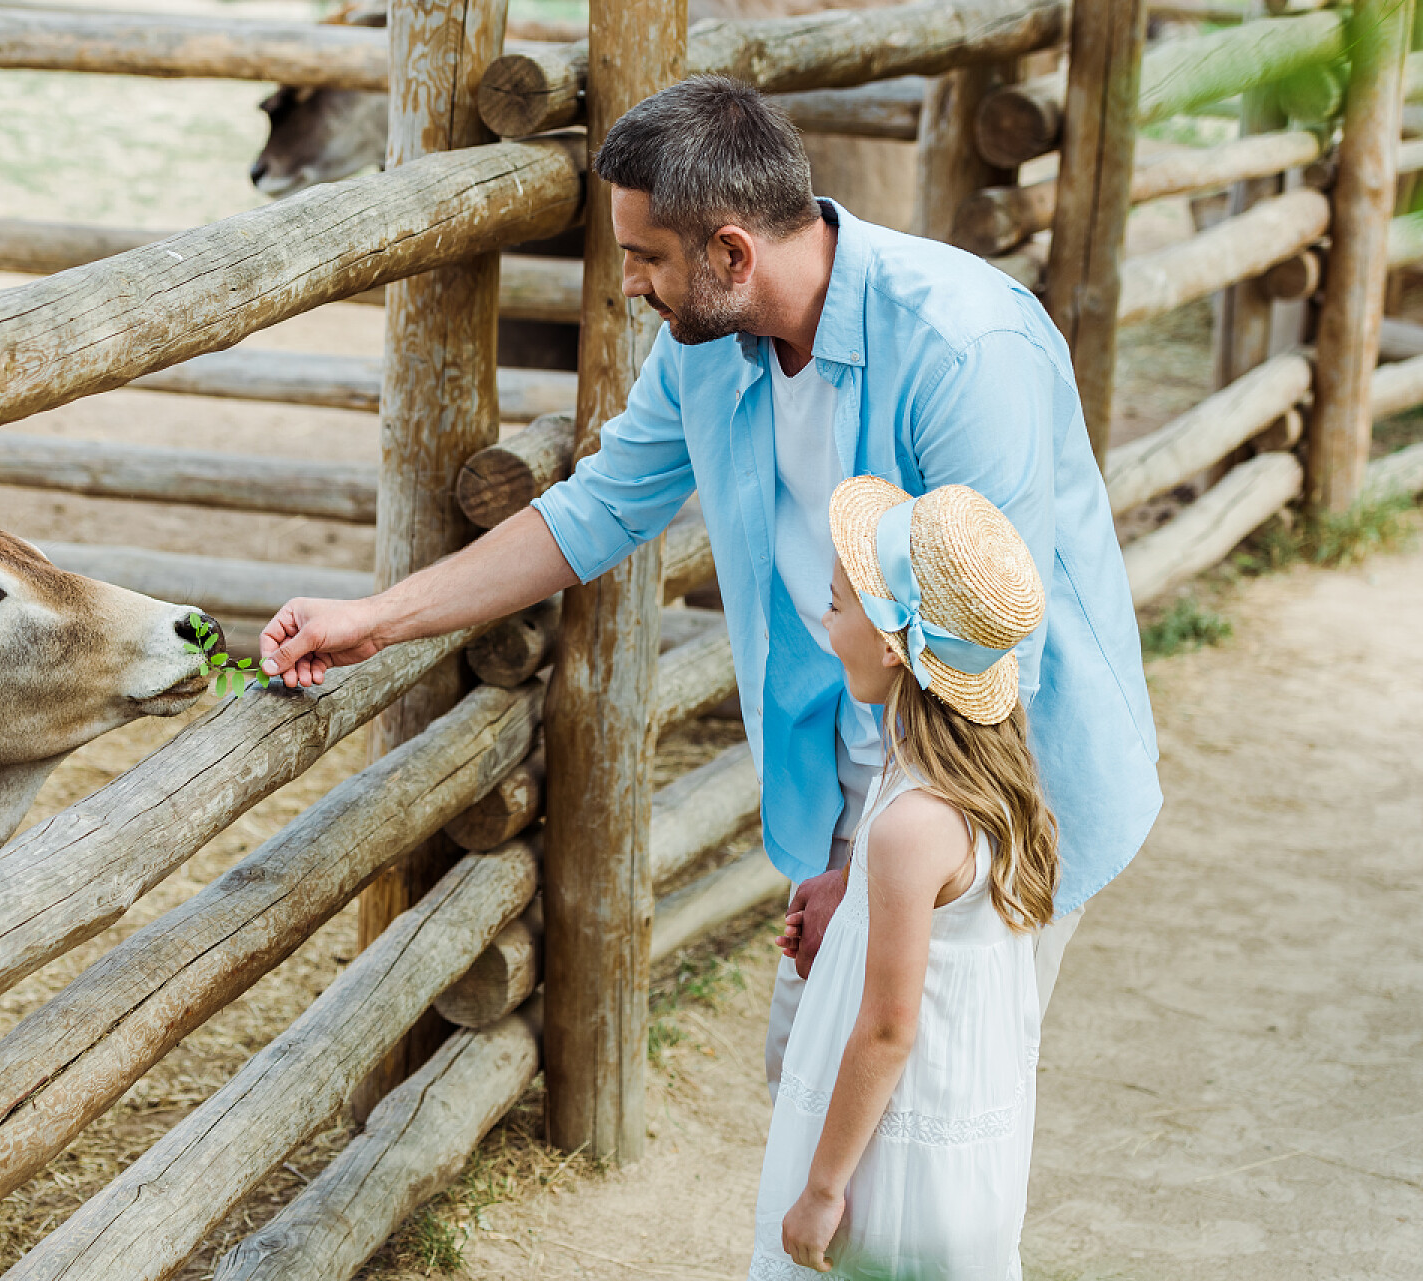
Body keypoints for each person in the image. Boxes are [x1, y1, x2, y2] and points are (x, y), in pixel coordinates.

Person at [258, 75, 1160, 1088]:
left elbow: (994, 652)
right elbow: (600, 508)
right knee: (812, 1101)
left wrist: (869, 874)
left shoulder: (962, 348)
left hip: (991, 793)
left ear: (732, 251)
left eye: (646, 259)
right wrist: (380, 619)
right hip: (853, 782)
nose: (629, 284)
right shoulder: (708, 342)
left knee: (929, 1138)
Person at [752, 476, 1053, 1279]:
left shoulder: (909, 824)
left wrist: (821, 1188)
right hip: (962, 1143)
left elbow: (890, 1029)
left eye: (839, 602)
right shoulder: (983, 778)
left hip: (892, 1173)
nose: (826, 618)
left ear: (892, 644)